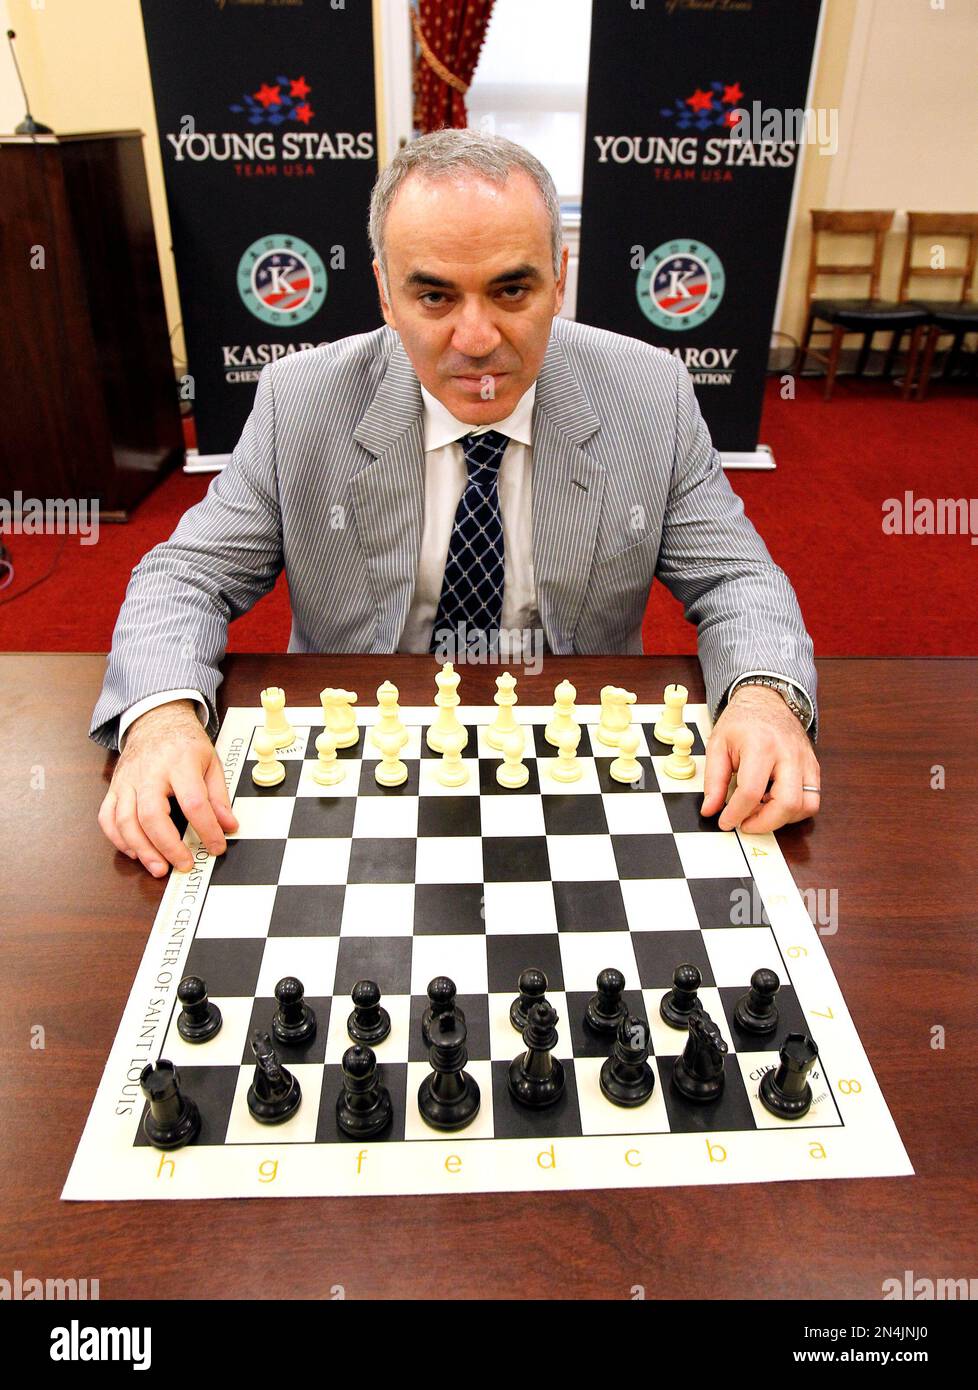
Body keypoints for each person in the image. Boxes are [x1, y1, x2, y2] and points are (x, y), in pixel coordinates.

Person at [92, 129, 820, 878]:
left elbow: (737, 580)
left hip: (576, 753)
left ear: (559, 277)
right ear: (383, 291)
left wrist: (764, 699)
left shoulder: (649, 394)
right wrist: (159, 720)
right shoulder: (299, 402)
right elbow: (185, 577)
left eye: (512, 290)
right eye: (433, 294)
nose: (476, 340)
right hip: (357, 763)